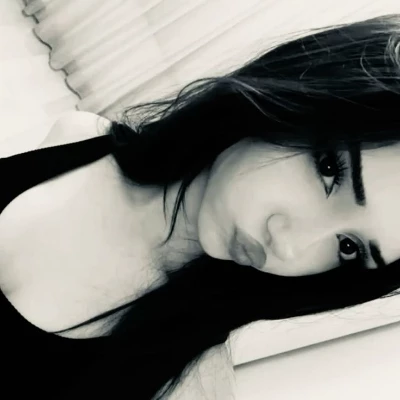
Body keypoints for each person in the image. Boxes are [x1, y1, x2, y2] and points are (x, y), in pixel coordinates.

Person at [2, 12, 400, 400]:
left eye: (349, 247)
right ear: (297, 96)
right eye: (330, 170)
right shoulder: (78, 136)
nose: (291, 247)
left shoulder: (182, 384)